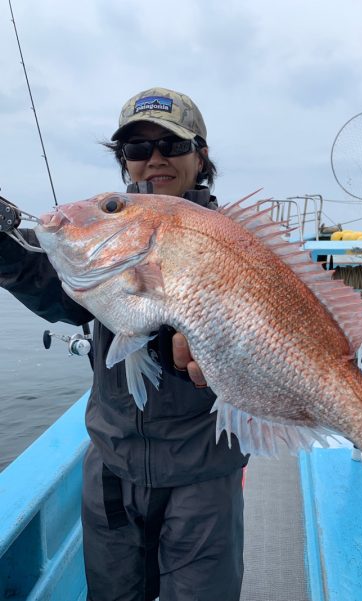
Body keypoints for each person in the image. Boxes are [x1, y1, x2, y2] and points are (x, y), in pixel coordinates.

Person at [0, 87, 248, 601]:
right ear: (124, 163)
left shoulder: (232, 240)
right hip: (112, 471)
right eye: (136, 150)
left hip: (204, 474)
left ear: (201, 156)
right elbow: (57, 289)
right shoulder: (114, 237)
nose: (153, 158)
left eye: (171, 145)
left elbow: (259, 336)